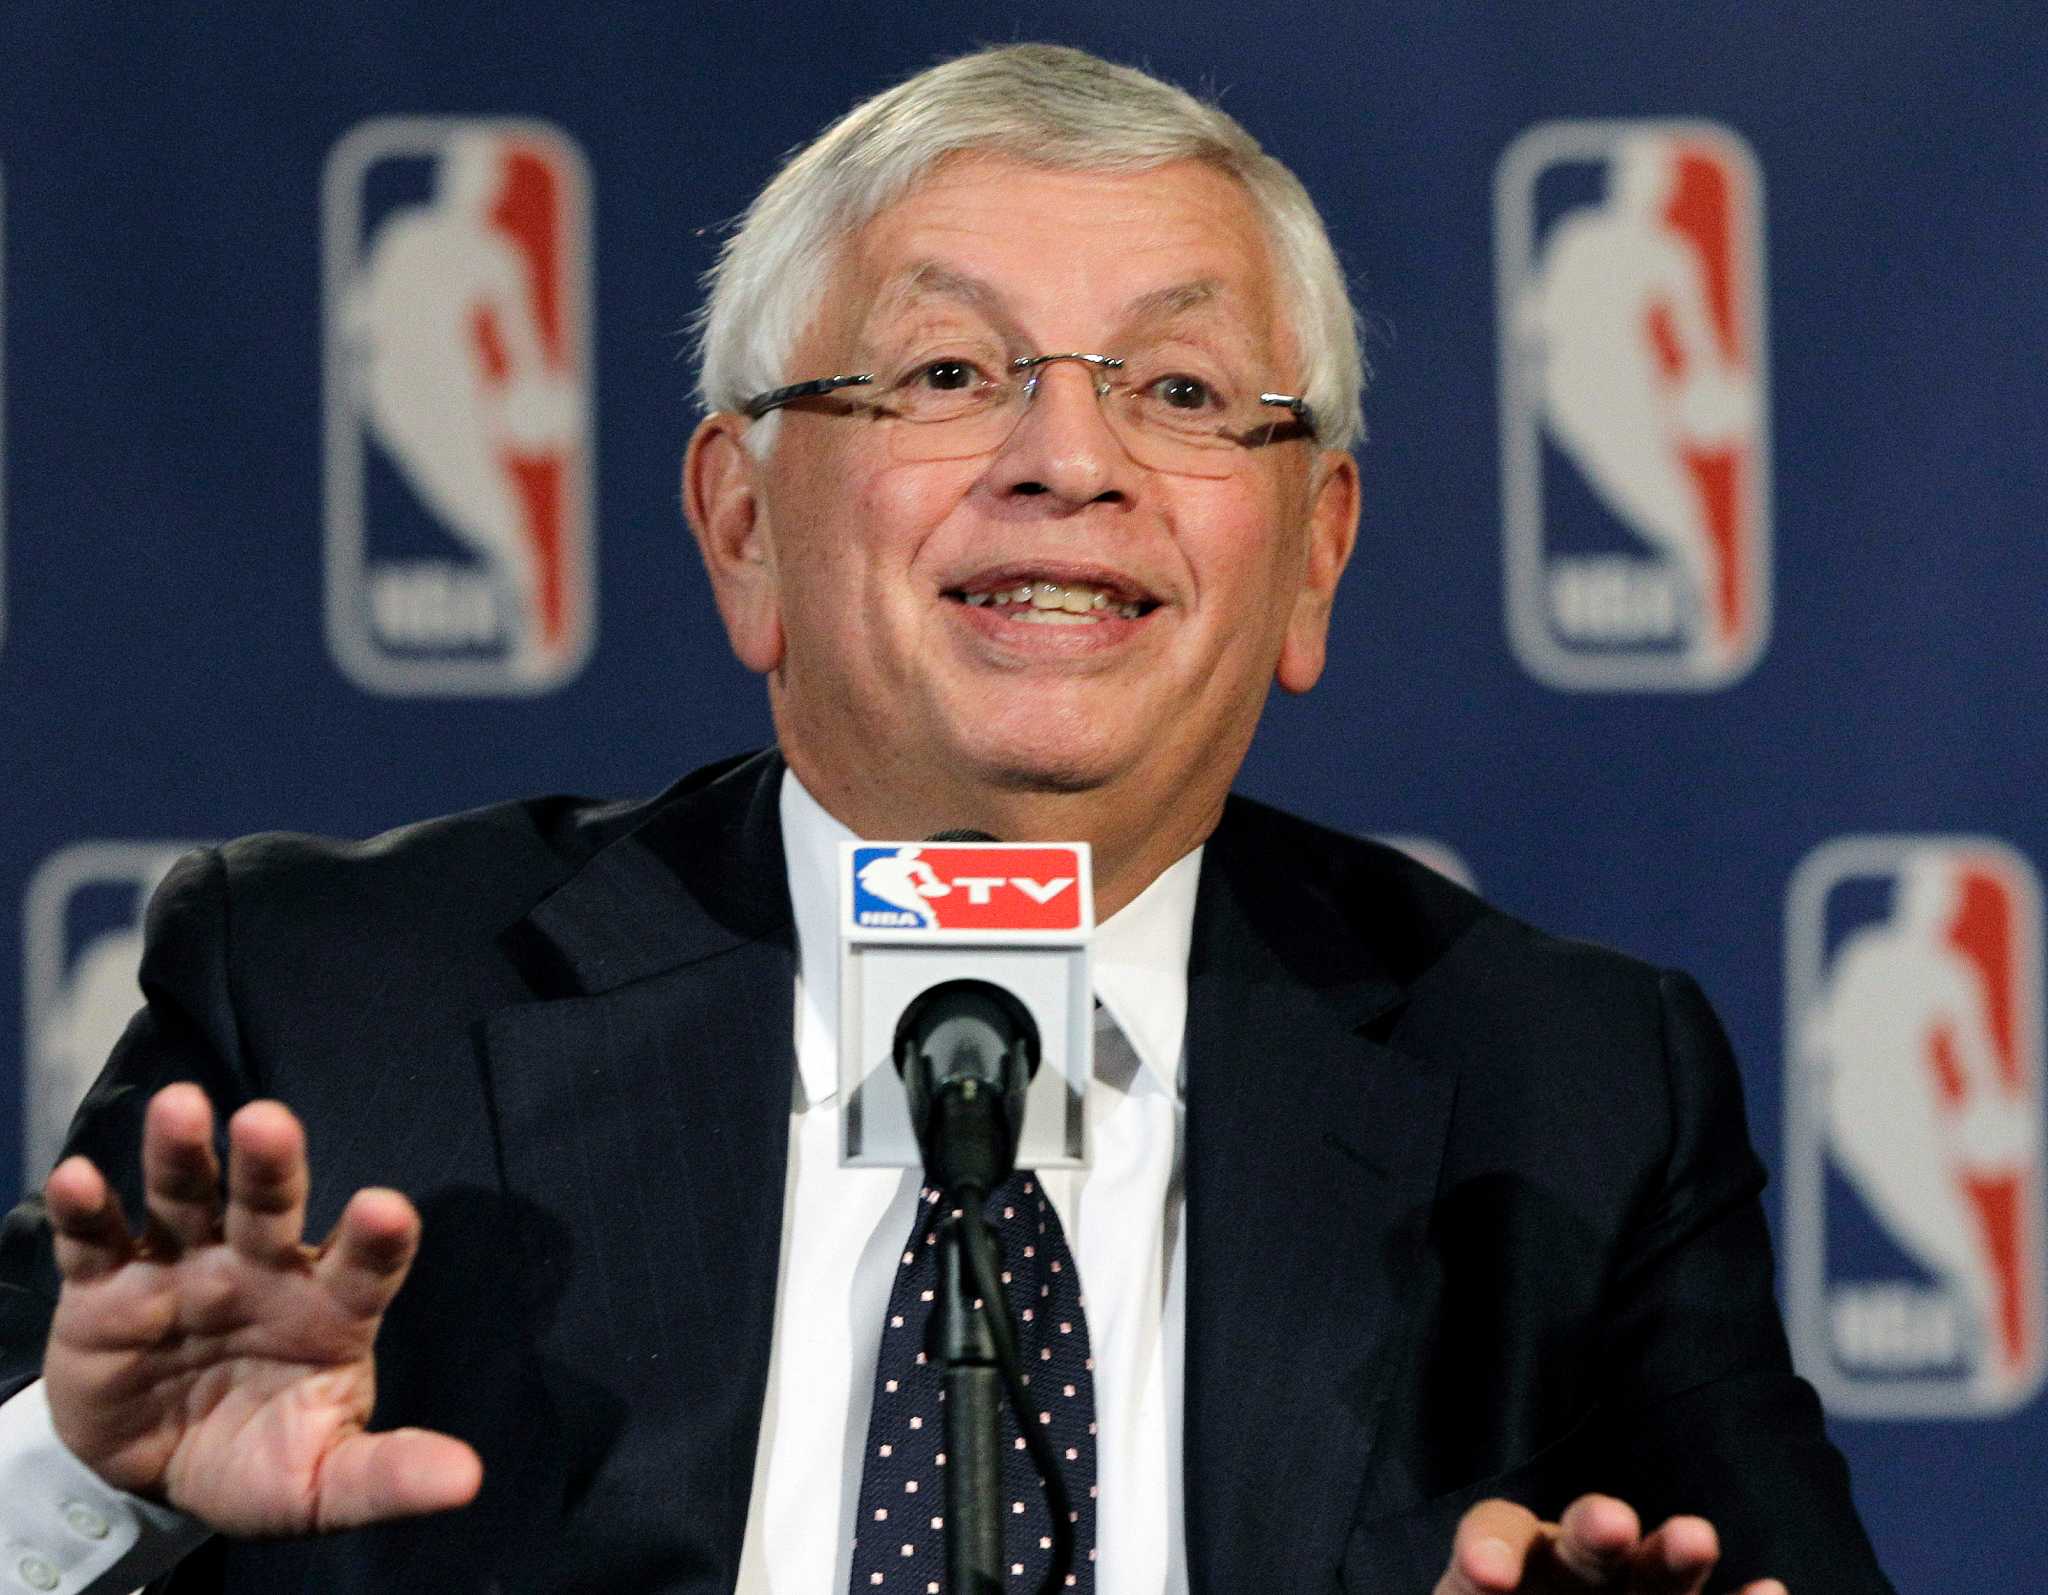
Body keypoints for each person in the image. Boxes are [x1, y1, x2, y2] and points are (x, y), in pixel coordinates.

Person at [0, 44, 1891, 1595]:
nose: (1070, 461)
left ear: (1314, 555)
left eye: (1179, 389)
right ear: (744, 525)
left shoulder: (1565, 1095)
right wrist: (84, 1487)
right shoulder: (338, 1014)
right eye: (948, 375)